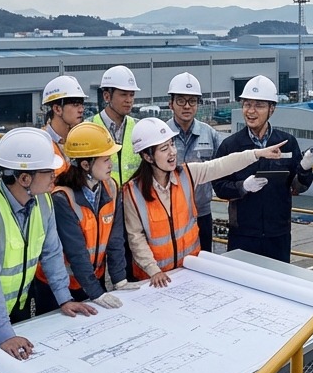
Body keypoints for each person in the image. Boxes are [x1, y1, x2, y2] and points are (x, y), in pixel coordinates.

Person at [0, 128, 99, 359]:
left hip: (17, 305)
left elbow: (52, 253)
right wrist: (4, 334)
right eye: (48, 172)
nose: (54, 177)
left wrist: (64, 298)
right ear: (25, 178)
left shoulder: (44, 201)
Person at [122, 117, 286, 285]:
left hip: (188, 270)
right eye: (164, 149)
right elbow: (136, 237)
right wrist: (153, 270)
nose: (172, 152)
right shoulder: (132, 192)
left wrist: (257, 154)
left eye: (172, 144)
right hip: (155, 280)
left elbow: (221, 165)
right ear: (147, 157)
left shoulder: (186, 174)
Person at [214, 75, 313, 262]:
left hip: (277, 234)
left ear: (272, 109)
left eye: (259, 106)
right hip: (243, 234)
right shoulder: (231, 146)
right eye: (247, 104)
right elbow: (219, 187)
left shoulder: (286, 143)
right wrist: (242, 186)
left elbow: (297, 188)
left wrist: (304, 169)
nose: (251, 111)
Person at [31, 123, 132, 313]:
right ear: (86, 164)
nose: (111, 164)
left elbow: (115, 239)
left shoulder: (111, 187)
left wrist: (120, 280)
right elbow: (75, 251)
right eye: (105, 159)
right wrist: (97, 293)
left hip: (93, 278)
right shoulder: (62, 198)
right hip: (60, 288)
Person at [165, 72, 227, 252]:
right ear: (171, 104)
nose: (187, 106)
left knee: (203, 263)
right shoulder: (161, 135)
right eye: (181, 101)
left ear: (198, 104)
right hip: (168, 215)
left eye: (192, 101)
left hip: (202, 214)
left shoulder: (210, 134)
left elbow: (223, 165)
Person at [88, 65, 139, 186]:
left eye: (131, 95)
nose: (129, 100)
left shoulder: (139, 128)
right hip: (103, 202)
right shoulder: (88, 128)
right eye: (123, 95)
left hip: (133, 201)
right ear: (107, 96)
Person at [41, 75, 88, 177]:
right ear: (57, 109)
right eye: (75, 105)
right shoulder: (40, 144)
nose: (81, 110)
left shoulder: (82, 140)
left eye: (81, 104)